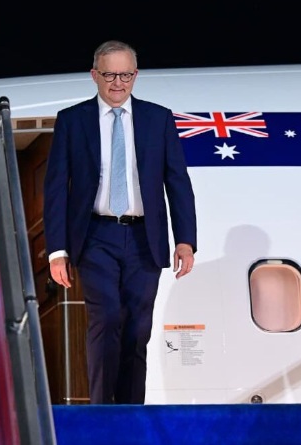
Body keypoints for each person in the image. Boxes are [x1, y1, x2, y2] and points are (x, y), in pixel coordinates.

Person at [43, 40, 197, 405]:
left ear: (136, 75)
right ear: (94, 75)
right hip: (95, 236)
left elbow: (177, 181)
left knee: (138, 328)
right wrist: (57, 251)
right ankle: (101, 410)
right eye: (110, 74)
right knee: (107, 316)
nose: (118, 83)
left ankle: (129, 411)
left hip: (146, 237)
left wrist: (185, 239)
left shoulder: (158, 119)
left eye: (125, 74)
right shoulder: (72, 120)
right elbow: (55, 190)